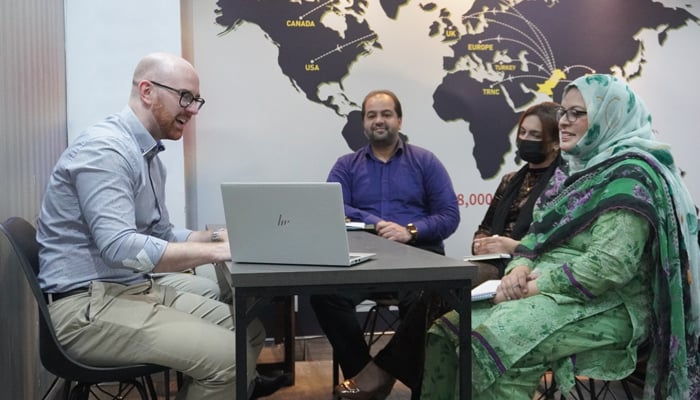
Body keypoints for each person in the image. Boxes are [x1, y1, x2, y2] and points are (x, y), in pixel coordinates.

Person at [421, 74, 700, 399]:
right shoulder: (571, 172)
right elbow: (535, 239)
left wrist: (531, 287)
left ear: (607, 117)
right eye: (563, 112)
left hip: (609, 304)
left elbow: (609, 267)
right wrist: (518, 270)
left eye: (577, 114)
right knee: (443, 335)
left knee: (492, 350)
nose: (563, 122)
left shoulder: (631, 177)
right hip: (544, 289)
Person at [36, 52, 276, 399]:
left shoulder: (146, 155)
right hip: (86, 309)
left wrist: (218, 236)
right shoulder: (107, 150)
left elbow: (160, 234)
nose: (192, 110)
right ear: (147, 91)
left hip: (125, 292)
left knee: (250, 332)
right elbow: (120, 247)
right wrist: (216, 251)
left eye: (196, 100)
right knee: (229, 359)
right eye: (185, 97)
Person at [334, 101, 562, 400]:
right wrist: (482, 241)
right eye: (523, 133)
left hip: (524, 267)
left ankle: (382, 375)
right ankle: (377, 374)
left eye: (536, 136)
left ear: (556, 143)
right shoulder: (510, 180)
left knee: (436, 288)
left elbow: (559, 240)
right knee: (328, 296)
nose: (526, 141)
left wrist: (514, 246)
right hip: (485, 261)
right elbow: (483, 226)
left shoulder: (564, 184)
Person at [310, 89, 460, 399]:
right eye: (371, 115)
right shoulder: (346, 165)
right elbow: (331, 207)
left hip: (416, 257)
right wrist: (374, 222)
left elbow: (449, 216)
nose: (379, 120)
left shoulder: (425, 161)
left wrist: (410, 230)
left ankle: (386, 377)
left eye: (386, 114)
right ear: (364, 122)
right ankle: (364, 376)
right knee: (324, 294)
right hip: (362, 258)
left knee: (428, 300)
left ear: (399, 120)